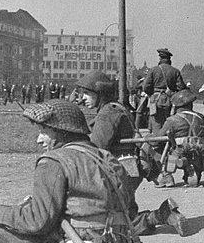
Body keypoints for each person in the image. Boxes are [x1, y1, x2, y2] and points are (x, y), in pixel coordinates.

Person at [0, 99, 139, 243]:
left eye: (43, 132)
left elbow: (37, 222)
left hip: (79, 239)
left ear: (61, 132)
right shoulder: (107, 158)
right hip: (120, 238)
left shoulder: (53, 162)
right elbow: (131, 211)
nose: (39, 140)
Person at [76, 71, 188, 237]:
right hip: (130, 167)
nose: (83, 98)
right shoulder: (117, 107)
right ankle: (165, 214)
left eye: (87, 93)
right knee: (127, 214)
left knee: (120, 225)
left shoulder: (107, 114)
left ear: (100, 92)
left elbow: (96, 147)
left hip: (120, 169)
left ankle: (165, 215)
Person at [151, 89, 204, 188]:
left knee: (155, 147)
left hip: (179, 153)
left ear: (176, 106)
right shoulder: (200, 117)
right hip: (199, 152)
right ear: (190, 104)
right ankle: (193, 170)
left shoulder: (172, 120)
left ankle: (166, 175)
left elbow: (157, 140)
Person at [142, 48, 186, 134]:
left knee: (156, 125)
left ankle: (157, 140)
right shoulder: (175, 71)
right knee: (170, 124)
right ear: (169, 59)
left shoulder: (153, 70)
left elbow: (145, 87)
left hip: (155, 101)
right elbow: (181, 87)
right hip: (170, 100)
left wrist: (152, 94)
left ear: (160, 58)